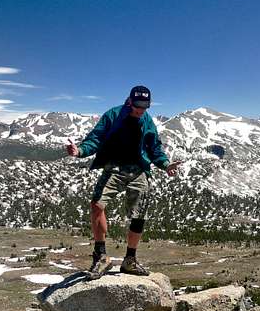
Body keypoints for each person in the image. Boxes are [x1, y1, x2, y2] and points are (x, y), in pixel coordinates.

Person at [66, 85, 181, 279]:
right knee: (97, 205)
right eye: (137, 106)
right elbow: (95, 138)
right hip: (114, 168)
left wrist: (165, 164)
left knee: (139, 215)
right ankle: (101, 256)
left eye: (144, 107)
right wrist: (80, 152)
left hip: (138, 171)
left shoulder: (147, 120)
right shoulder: (113, 115)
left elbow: (155, 148)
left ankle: (130, 260)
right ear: (129, 101)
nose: (140, 110)